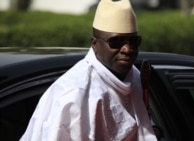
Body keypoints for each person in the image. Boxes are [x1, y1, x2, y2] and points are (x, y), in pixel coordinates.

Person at [20, 0, 157, 140]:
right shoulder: (73, 94)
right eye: (116, 41)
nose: (127, 49)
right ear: (94, 44)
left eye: (133, 41)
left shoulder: (136, 77)